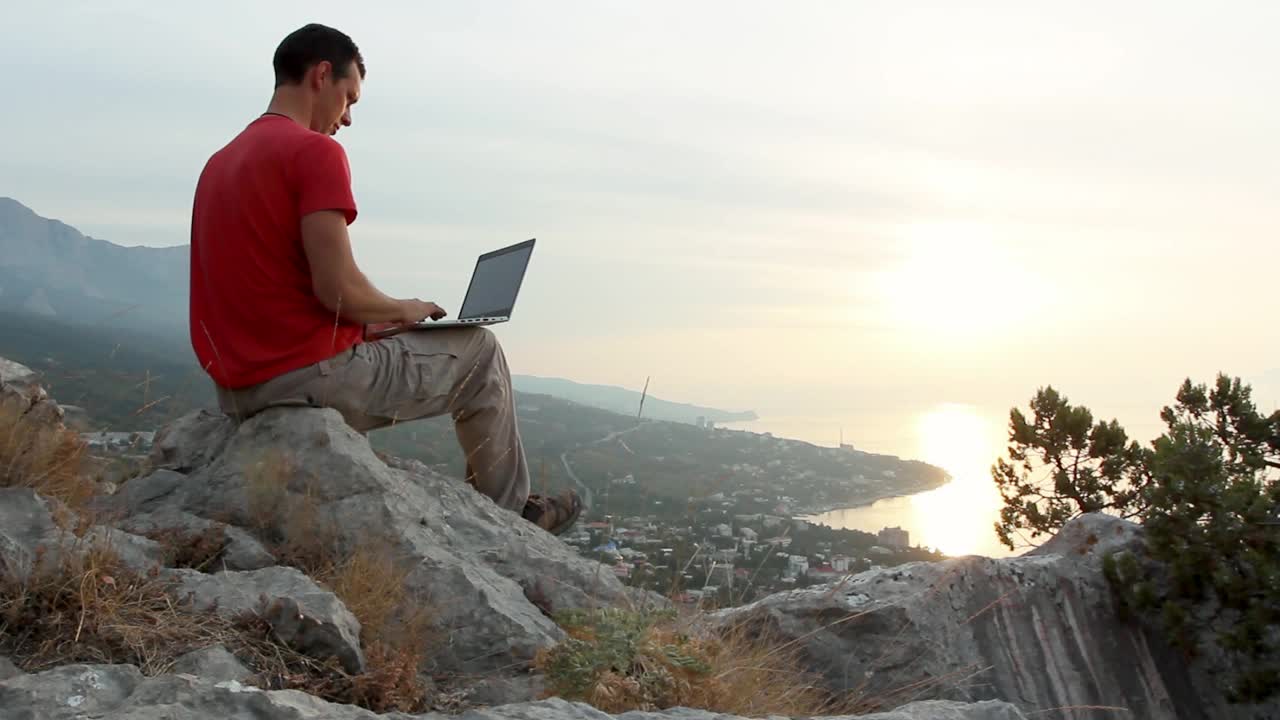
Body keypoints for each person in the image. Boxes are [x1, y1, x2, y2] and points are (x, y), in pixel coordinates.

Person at [188, 23, 580, 535]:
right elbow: (337, 290)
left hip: (238, 388)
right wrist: (401, 308)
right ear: (322, 75)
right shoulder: (315, 153)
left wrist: (371, 326)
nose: (347, 118)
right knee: (480, 352)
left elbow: (281, 285)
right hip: (307, 377)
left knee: (412, 336)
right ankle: (512, 522)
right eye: (348, 98)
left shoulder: (219, 163)